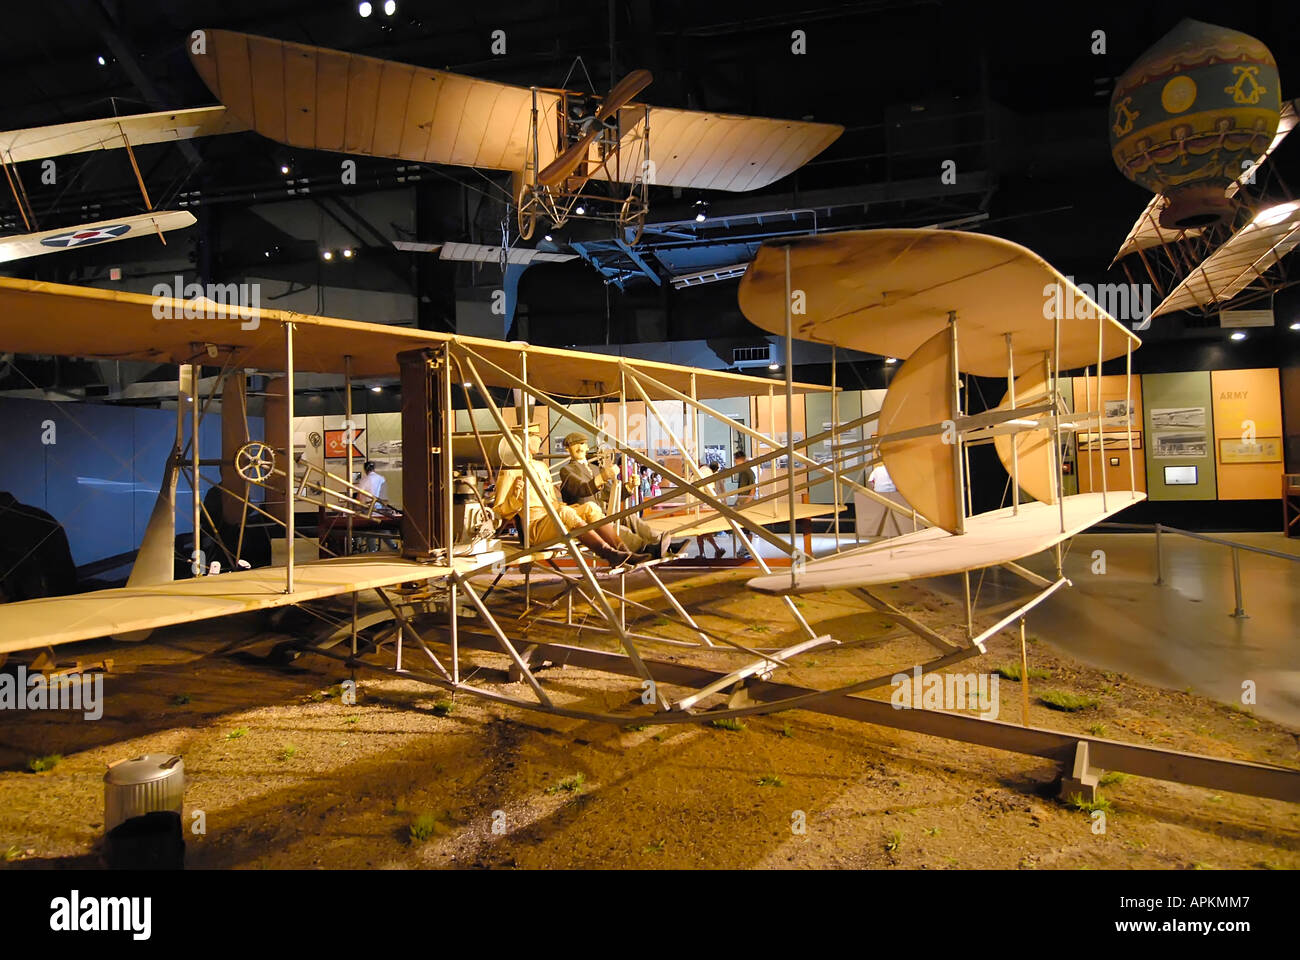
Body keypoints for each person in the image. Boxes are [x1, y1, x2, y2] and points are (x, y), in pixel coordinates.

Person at [493, 433, 643, 566]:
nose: (538, 439)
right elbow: (499, 513)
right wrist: (515, 500)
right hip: (535, 528)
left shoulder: (541, 467)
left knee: (590, 507)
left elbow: (552, 499)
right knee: (565, 512)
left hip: (553, 517)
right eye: (533, 435)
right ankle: (609, 554)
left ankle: (624, 552)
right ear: (521, 441)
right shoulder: (510, 472)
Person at [557, 432, 667, 557]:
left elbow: (610, 493)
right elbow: (583, 489)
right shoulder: (567, 471)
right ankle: (647, 549)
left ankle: (660, 542)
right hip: (585, 521)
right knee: (618, 529)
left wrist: (628, 487)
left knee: (628, 517)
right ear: (567, 449)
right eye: (574, 444)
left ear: (587, 447)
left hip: (601, 516)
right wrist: (603, 477)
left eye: (582, 444)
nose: (580, 448)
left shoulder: (595, 469)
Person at [355, 461, 398, 551]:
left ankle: (372, 550)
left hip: (368, 508)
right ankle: (393, 547)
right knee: (382, 528)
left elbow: (359, 495)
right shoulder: (382, 478)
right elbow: (385, 495)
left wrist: (357, 507)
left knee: (370, 530)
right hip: (380, 508)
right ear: (374, 469)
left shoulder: (364, 480)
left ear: (365, 470)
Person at [693, 461, 726, 559]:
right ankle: (714, 550)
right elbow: (711, 489)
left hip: (701, 505)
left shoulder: (703, 471)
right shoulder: (706, 472)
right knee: (702, 531)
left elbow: (708, 489)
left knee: (701, 531)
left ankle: (705, 552)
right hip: (703, 505)